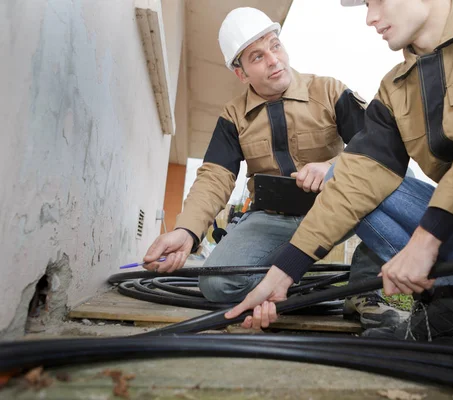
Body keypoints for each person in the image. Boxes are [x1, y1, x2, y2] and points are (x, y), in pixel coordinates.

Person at [226, 0, 453, 360]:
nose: (370, 18)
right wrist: (282, 276)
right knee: (347, 178)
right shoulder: (394, 89)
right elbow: (356, 181)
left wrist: (425, 241)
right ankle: (446, 313)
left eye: (377, 1)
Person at [143, 7, 406, 330]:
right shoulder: (233, 116)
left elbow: (377, 150)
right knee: (215, 284)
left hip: (336, 210)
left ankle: (363, 290)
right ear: (241, 73)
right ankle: (294, 286)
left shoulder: (329, 91)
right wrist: (186, 231)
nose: (273, 60)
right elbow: (214, 177)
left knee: (391, 192)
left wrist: (334, 167)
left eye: (275, 45)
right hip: (271, 218)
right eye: (257, 56)